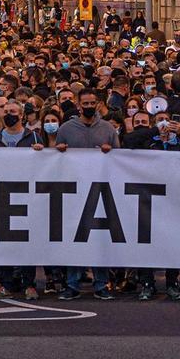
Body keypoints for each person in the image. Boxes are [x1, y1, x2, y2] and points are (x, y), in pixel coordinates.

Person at [55, 89, 119, 301]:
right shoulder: (66, 128)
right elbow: (54, 159)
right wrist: (60, 151)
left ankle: (101, 284)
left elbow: (120, 159)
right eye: (85, 103)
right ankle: (72, 284)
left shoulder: (108, 128)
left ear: (98, 104)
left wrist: (111, 152)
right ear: (79, 104)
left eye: (93, 102)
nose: (89, 106)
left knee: (99, 238)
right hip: (73, 192)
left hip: (100, 191)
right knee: (75, 238)